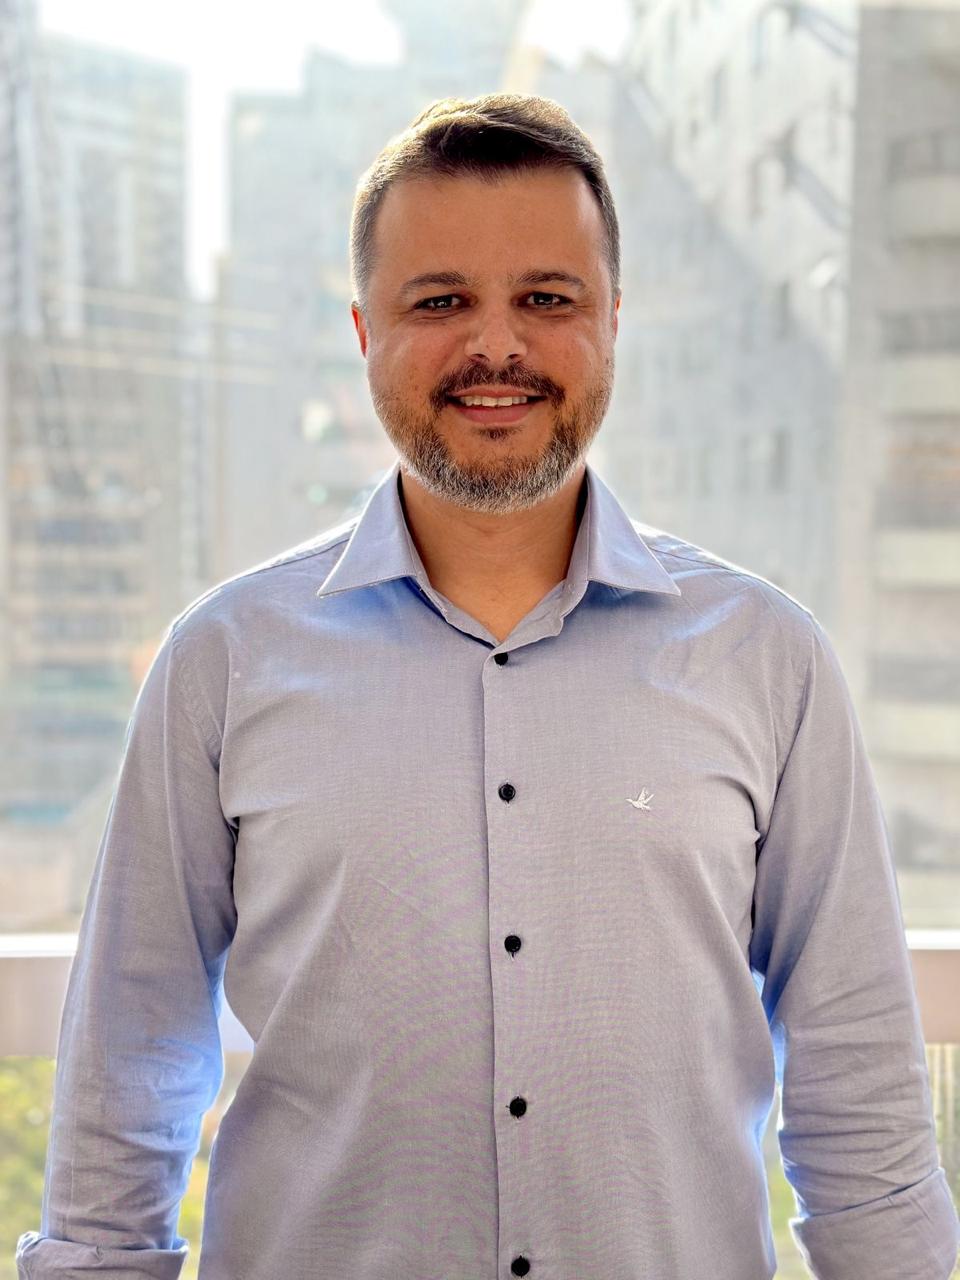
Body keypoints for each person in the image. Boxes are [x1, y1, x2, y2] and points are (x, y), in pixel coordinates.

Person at [16, 93, 960, 1280]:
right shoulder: (222, 660)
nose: (496, 346)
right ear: (364, 331)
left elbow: (857, 1085)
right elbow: (130, 1056)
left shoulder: (771, 660)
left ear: (613, 322)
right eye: (440, 300)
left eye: (548, 298)